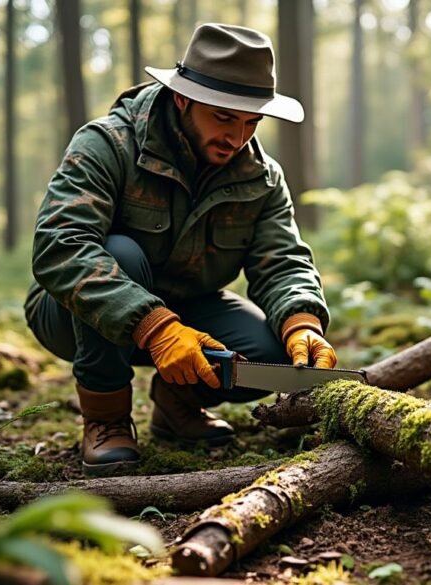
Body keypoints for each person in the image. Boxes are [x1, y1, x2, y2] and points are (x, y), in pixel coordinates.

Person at [24, 23, 337, 477]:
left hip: (193, 311)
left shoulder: (262, 177)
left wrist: (302, 322)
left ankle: (176, 405)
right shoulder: (107, 144)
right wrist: (156, 327)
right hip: (71, 314)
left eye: (252, 121)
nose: (238, 138)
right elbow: (60, 246)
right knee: (121, 254)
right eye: (224, 118)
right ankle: (107, 419)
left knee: (271, 356)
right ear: (183, 98)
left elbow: (282, 259)